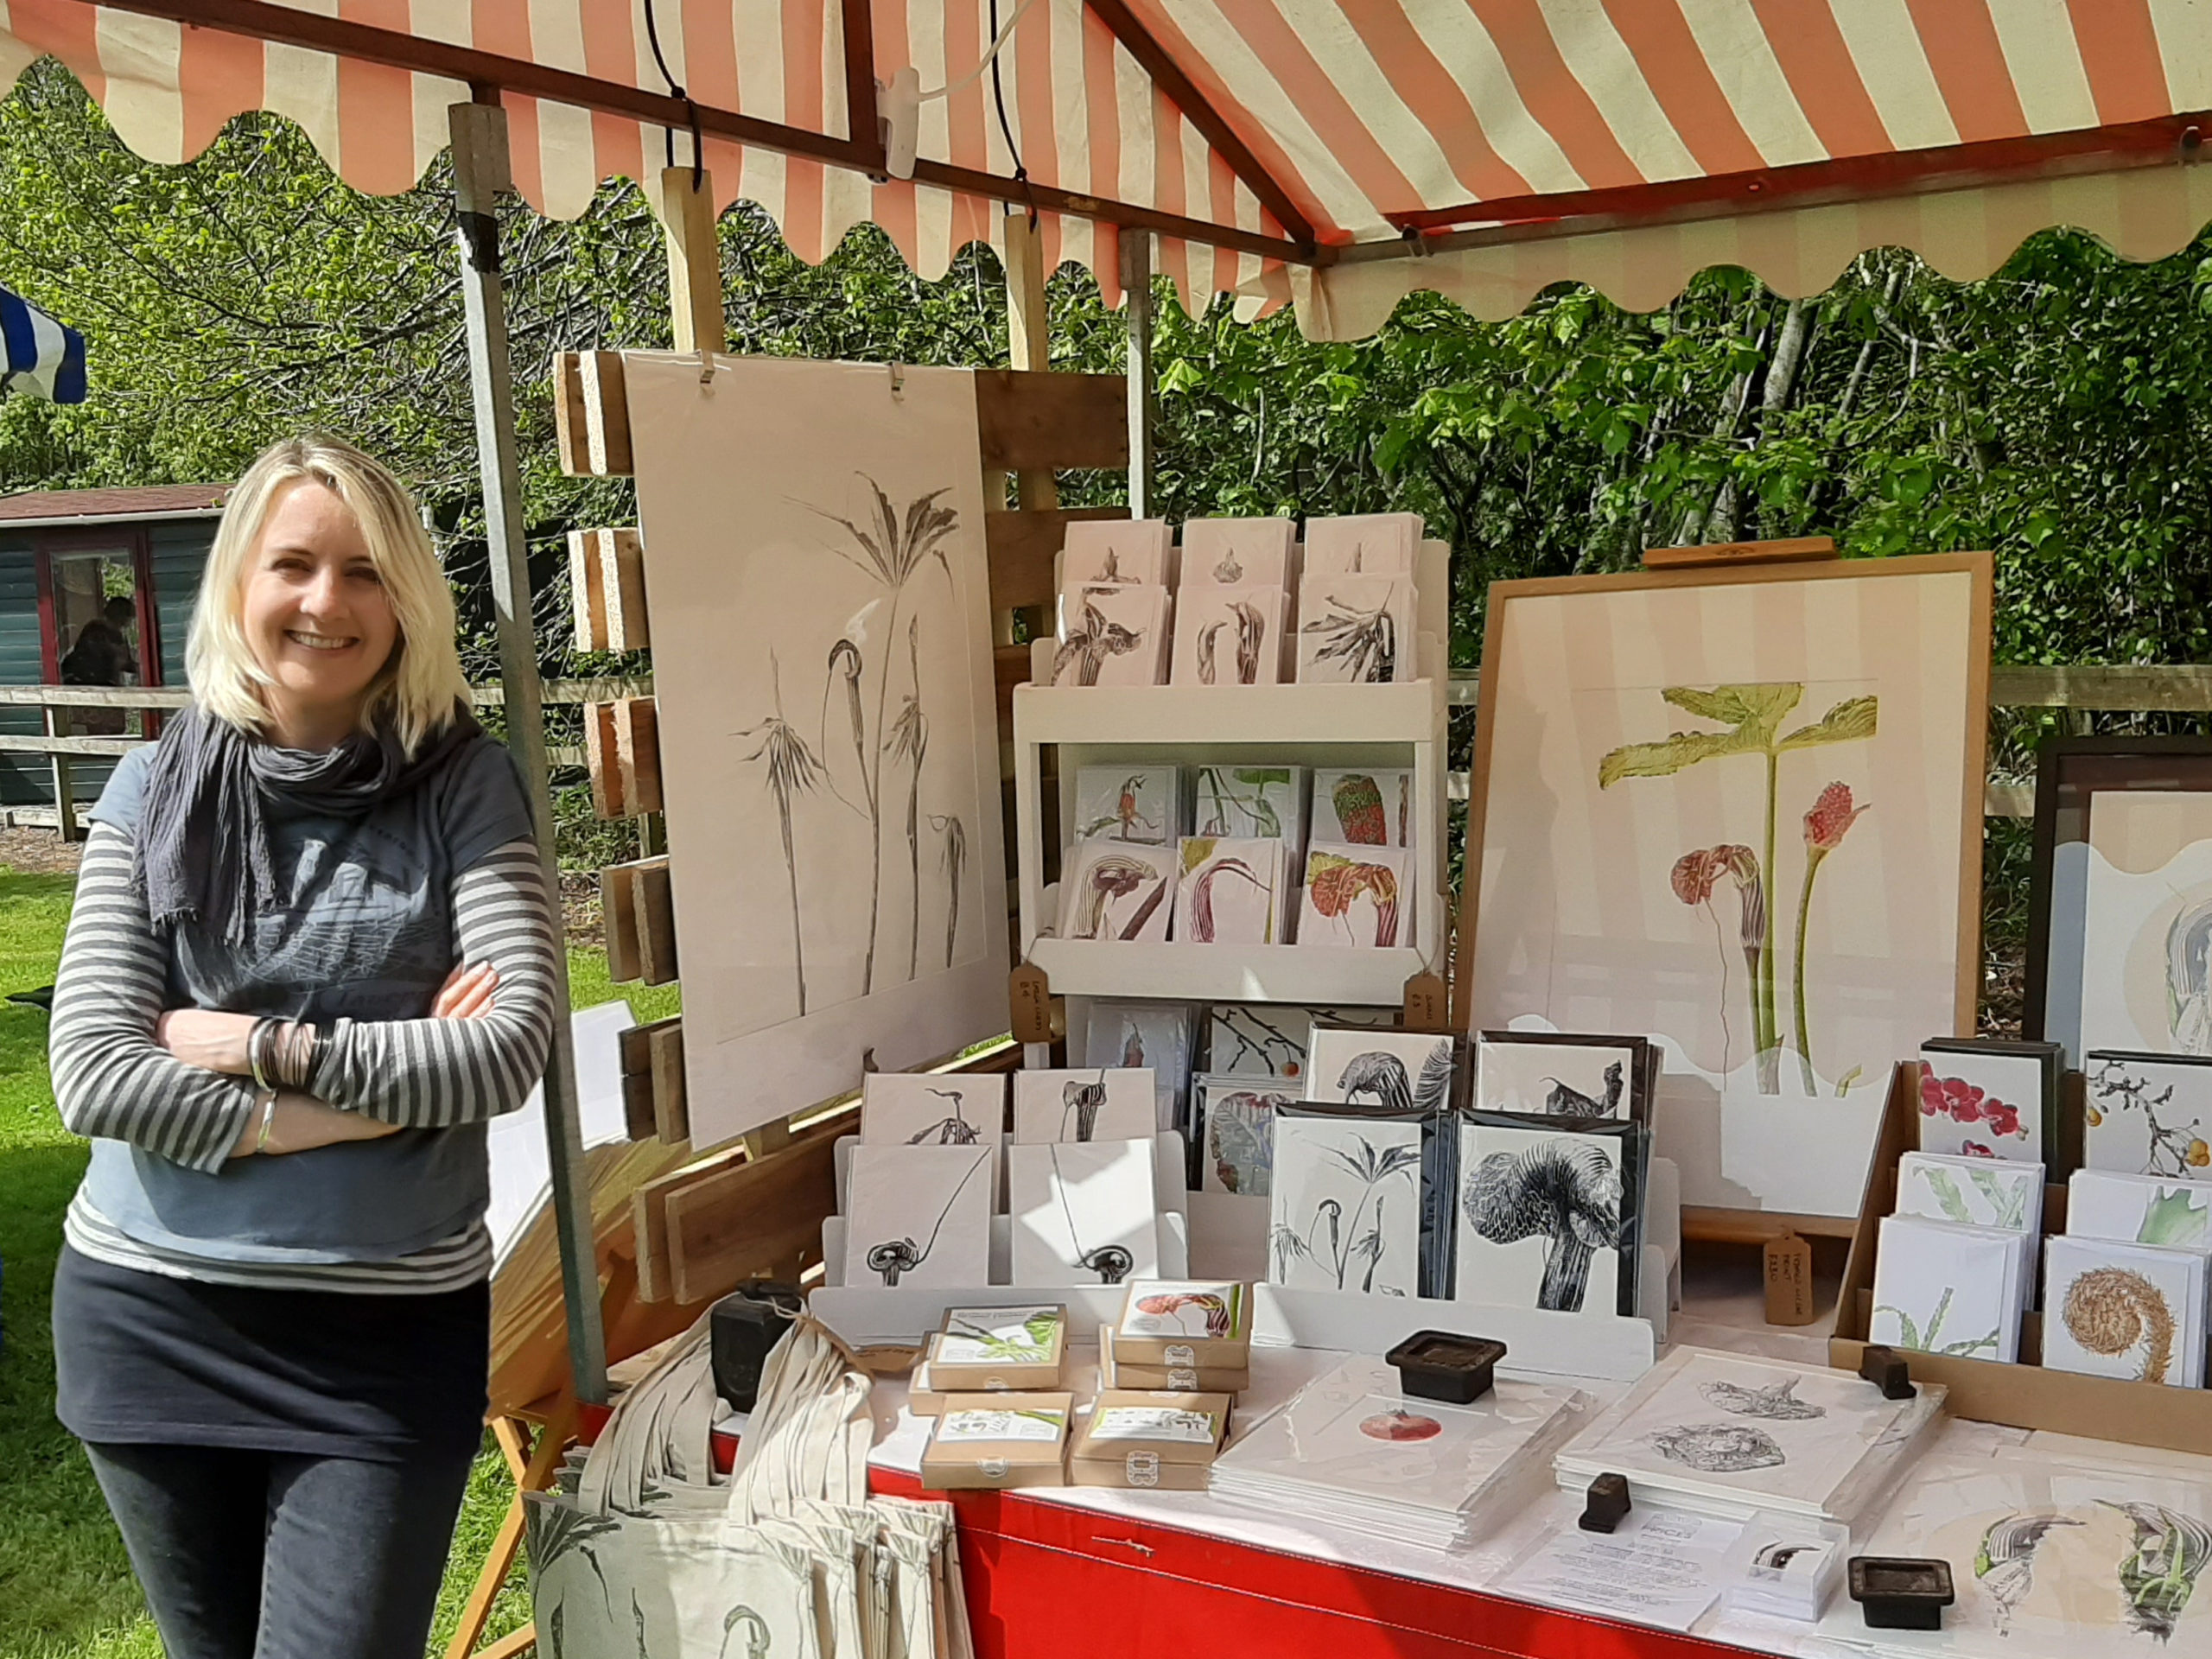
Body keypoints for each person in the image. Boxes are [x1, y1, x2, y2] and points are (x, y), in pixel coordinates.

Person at [47, 435, 559, 1659]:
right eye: (295, 564)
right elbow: (94, 1071)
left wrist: (255, 1047)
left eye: (366, 571)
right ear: (239, 585)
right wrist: (363, 1101)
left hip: (379, 1342)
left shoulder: (465, 788)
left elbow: (504, 1049)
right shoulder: (153, 785)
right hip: (148, 1312)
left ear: (408, 599)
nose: (328, 601)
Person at [60, 593, 140, 686]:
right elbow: (98, 659)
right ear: (120, 616)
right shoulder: (95, 630)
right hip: (88, 682)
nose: (129, 623)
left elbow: (125, 662)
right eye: (128, 618)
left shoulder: (119, 634)